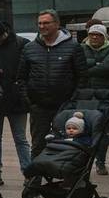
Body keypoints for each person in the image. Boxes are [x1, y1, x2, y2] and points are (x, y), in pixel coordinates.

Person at [18, 9, 87, 158]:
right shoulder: (29, 49)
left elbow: (82, 77)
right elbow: (21, 77)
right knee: (38, 145)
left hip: (64, 106)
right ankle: (34, 179)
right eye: (40, 23)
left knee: (65, 144)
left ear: (57, 24)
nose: (42, 26)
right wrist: (28, 100)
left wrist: (73, 101)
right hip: (38, 107)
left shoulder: (73, 47)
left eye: (46, 23)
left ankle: (64, 178)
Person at [0, 19, 32, 173]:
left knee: (21, 139)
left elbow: (28, 71)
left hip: (16, 99)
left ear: (5, 32)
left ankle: (28, 171)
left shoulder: (21, 44)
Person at [81, 23, 109, 175]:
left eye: (98, 35)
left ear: (104, 37)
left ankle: (100, 162)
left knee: (101, 130)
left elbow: (108, 67)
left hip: (104, 96)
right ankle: (83, 161)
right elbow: (79, 67)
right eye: (92, 34)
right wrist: (96, 64)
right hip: (84, 95)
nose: (95, 37)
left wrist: (89, 67)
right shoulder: (81, 48)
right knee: (83, 129)